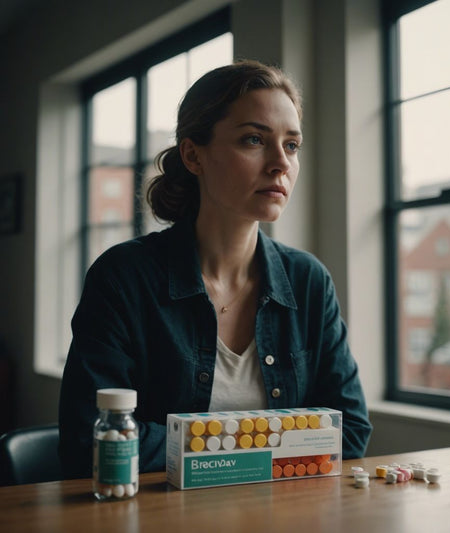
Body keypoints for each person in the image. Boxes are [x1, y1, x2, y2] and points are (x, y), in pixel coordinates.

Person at [58, 59, 372, 479]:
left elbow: (349, 432)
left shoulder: (309, 281)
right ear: (193, 155)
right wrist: (284, 443)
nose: (280, 163)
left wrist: (205, 446)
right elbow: (92, 439)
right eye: (254, 140)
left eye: (292, 145)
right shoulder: (123, 278)